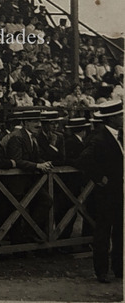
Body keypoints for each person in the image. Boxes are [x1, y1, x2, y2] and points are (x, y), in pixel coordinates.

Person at [75, 101, 123, 283]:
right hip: (106, 194)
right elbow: (83, 160)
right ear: (111, 118)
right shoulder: (99, 138)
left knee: (120, 231)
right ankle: (101, 270)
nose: (123, 118)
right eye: (120, 115)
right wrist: (100, 177)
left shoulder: (120, 136)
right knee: (103, 231)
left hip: (119, 191)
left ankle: (119, 268)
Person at [6, 110, 53, 244]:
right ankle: (17, 246)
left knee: (46, 201)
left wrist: (45, 162)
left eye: (39, 121)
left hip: (29, 182)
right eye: (34, 122)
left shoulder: (33, 137)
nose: (38, 124)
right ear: (25, 123)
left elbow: (35, 157)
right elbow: (17, 160)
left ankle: (29, 233)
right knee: (16, 213)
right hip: (17, 182)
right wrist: (38, 166)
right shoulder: (17, 137)